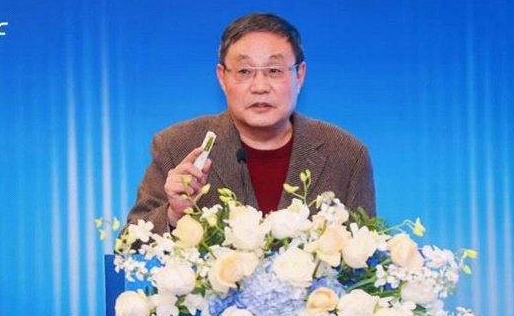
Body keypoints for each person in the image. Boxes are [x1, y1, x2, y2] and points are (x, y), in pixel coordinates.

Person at [127, 12, 376, 234]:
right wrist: (173, 214)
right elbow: (128, 248)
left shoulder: (345, 154)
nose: (260, 87)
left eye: (274, 70)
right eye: (245, 71)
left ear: (299, 75)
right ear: (222, 77)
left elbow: (369, 261)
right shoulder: (177, 145)